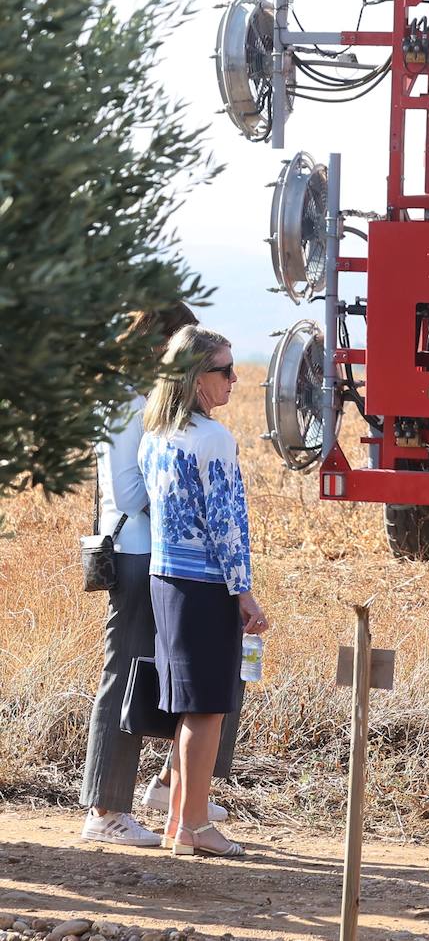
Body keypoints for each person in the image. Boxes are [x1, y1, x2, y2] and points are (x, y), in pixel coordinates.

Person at [80, 305, 239, 847]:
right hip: (136, 552)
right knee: (125, 676)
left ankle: (173, 789)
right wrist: (182, 482)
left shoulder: (156, 409)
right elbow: (127, 494)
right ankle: (105, 808)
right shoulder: (131, 406)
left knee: (190, 679)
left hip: (164, 554)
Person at [141, 326, 268, 859]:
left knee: (186, 707)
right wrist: (245, 592)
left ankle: (179, 824)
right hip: (205, 584)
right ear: (196, 378)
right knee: (208, 709)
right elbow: (226, 524)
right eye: (224, 369)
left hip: (164, 578)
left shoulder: (156, 435)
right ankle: (195, 825)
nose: (236, 379)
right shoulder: (212, 438)